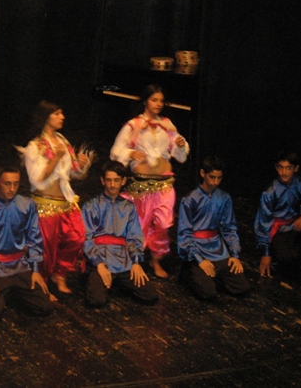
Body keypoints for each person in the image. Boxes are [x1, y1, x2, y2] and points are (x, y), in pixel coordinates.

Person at [110, 84, 189, 278]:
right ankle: (134, 260)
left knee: (163, 224)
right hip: (141, 187)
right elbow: (115, 152)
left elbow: (180, 155)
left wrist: (181, 144)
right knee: (140, 225)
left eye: (161, 101)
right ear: (145, 101)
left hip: (165, 185)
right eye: (154, 100)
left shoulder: (167, 125)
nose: (158, 104)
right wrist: (130, 153)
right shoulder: (133, 125)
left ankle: (156, 259)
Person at [18, 100, 92, 300]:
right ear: (46, 117)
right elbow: (37, 179)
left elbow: (73, 174)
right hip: (45, 204)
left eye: (62, 113)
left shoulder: (63, 141)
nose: (62, 117)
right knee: (46, 247)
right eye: (57, 113)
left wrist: (81, 164)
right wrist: (56, 158)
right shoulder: (34, 146)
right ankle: (42, 283)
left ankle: (60, 273)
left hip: (66, 202)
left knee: (77, 237)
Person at [0, 166, 53, 320]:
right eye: (7, 184)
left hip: (19, 266)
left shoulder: (27, 205)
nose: (12, 189)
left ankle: (13, 292)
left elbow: (34, 239)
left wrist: (35, 270)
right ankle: (2, 291)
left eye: (16, 184)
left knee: (44, 306)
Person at [81, 161, 158, 307]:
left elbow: (134, 236)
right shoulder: (91, 206)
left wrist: (136, 262)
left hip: (123, 260)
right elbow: (86, 238)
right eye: (108, 180)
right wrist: (99, 264)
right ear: (102, 181)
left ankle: (117, 282)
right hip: (100, 259)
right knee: (96, 300)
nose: (112, 185)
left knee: (150, 295)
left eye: (116, 180)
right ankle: (98, 279)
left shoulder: (129, 207)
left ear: (123, 181)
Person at [177, 156, 249, 300]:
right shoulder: (190, 199)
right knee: (208, 293)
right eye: (212, 177)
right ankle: (190, 271)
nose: (215, 182)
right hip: (197, 249)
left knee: (242, 287)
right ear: (203, 173)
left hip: (217, 250)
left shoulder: (224, 197)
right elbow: (184, 233)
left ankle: (211, 276)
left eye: (219, 178)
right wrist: (199, 259)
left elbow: (229, 228)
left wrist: (235, 255)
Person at [254, 151, 301, 281]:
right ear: (276, 167)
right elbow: (263, 222)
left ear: (295, 168)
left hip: (295, 224)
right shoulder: (270, 192)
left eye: (288, 168)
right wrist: (266, 253)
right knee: (287, 260)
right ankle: (281, 258)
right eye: (281, 167)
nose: (284, 172)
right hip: (279, 230)